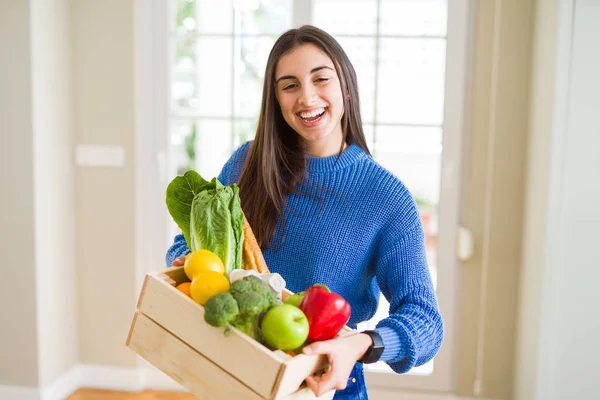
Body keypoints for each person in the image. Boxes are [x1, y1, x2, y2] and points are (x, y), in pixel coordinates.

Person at [166, 25, 443, 399]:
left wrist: (360, 344)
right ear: (276, 99)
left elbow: (425, 321)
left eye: (321, 79)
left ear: (345, 84)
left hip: (322, 384)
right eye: (290, 85)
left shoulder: (385, 197)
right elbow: (186, 243)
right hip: (235, 373)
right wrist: (184, 261)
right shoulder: (248, 164)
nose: (307, 97)